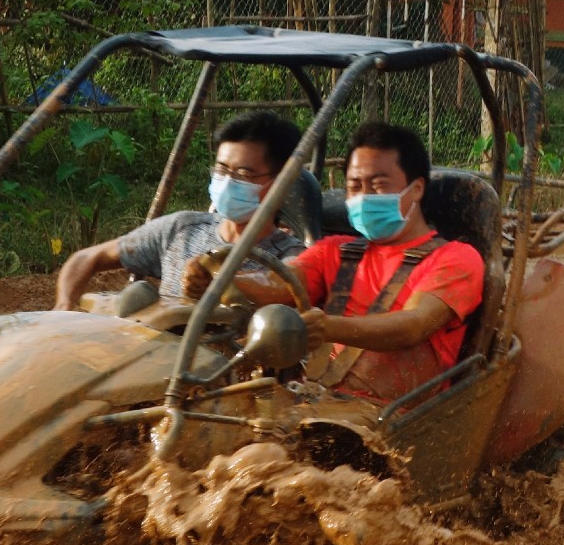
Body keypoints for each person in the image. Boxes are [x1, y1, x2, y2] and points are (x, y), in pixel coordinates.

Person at [188, 121, 485, 403]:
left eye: (378, 185)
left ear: (417, 188)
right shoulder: (335, 250)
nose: (364, 196)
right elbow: (278, 283)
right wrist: (223, 280)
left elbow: (413, 325)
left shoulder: (456, 257)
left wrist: (329, 328)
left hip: (397, 416)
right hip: (311, 401)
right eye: (355, 186)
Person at [52, 110, 306, 309]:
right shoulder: (182, 230)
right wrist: (63, 306)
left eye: (242, 174)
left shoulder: (289, 257)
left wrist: (218, 278)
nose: (228, 182)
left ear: (281, 183)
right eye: (221, 170)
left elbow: (284, 287)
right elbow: (86, 258)